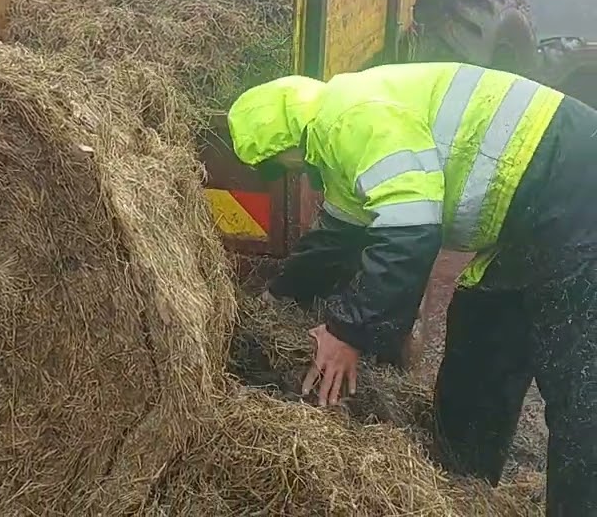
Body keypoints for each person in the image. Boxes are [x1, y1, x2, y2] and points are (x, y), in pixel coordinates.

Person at [226, 61, 597, 514]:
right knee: (481, 341)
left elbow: (412, 230)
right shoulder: (335, 151)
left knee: (577, 381)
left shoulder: (349, 118)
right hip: (528, 210)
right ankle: (466, 493)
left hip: (573, 181)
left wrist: (348, 332)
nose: (286, 173)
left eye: (274, 165)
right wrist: (274, 299)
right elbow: (337, 240)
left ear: (284, 143)